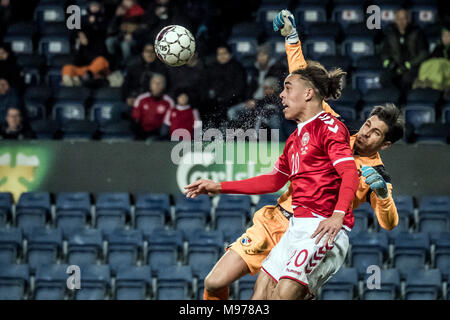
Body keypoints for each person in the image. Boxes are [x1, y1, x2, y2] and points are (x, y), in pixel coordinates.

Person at [199, 9, 404, 301]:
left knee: (282, 296)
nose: (367, 132)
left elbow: (390, 222)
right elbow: (304, 85)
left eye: (375, 133)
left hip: (318, 228)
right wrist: (292, 39)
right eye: (368, 124)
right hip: (281, 220)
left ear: (385, 145)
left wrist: (382, 195)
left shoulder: (372, 171)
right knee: (218, 283)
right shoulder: (331, 130)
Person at [380, 8, 428, 91]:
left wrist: (408, 65)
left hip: (412, 67)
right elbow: (384, 54)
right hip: (395, 67)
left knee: (407, 79)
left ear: (408, 19)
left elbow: (423, 54)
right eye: (399, 19)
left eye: (404, 18)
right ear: (395, 20)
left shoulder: (417, 33)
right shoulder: (390, 34)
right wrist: (390, 64)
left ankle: (405, 101)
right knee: (385, 78)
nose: (401, 22)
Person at [205, 45, 247, 129]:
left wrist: (225, 98)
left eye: (224, 53)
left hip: (232, 101)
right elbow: (207, 86)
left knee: (223, 112)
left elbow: (239, 88)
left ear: (230, 54)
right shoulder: (212, 68)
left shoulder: (238, 67)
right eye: (219, 54)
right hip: (215, 102)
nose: (222, 56)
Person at [132, 73, 174, 139]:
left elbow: (169, 123)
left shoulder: (169, 102)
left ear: (164, 85)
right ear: (150, 84)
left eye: (160, 83)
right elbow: (136, 119)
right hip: (142, 132)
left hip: (159, 134)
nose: (157, 85)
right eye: (154, 82)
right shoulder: (141, 99)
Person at [414, 25, 450, 96]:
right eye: (443, 36)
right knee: (426, 63)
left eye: (448, 36)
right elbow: (430, 59)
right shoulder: (439, 47)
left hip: (446, 69)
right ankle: (423, 81)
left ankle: (431, 82)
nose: (445, 38)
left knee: (439, 63)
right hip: (439, 71)